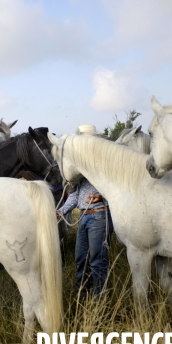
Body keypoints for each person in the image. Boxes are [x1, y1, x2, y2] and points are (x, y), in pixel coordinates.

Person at [56, 124, 114, 298]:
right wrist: (61, 210)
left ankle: (99, 300)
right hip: (83, 217)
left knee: (97, 261)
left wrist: (102, 198)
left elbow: (116, 190)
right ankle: (81, 294)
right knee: (81, 258)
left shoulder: (104, 165)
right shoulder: (80, 169)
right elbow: (75, 197)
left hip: (99, 215)